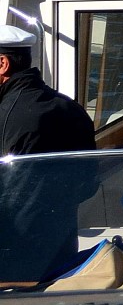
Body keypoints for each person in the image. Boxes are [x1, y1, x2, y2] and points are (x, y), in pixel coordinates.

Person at [0, 22, 98, 284]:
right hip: (61, 254)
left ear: (2, 64)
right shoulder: (71, 109)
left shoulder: (5, 117)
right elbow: (88, 186)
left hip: (11, 261)